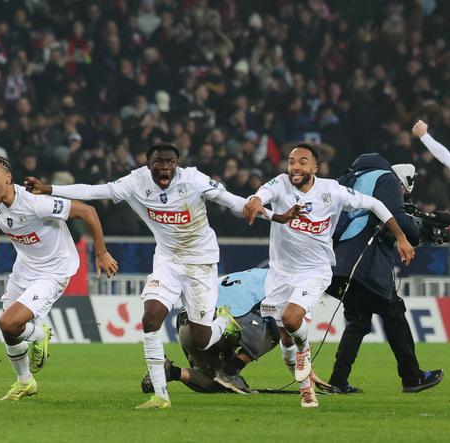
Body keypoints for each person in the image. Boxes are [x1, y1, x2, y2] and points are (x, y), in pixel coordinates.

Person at [25, 142, 296, 409]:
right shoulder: (136, 182)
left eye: (170, 162)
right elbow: (98, 190)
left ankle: (224, 323)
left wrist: (274, 216)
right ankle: (160, 396)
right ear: (149, 164)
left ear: (177, 165)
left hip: (200, 263)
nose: (165, 167)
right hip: (168, 260)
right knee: (151, 315)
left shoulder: (193, 179)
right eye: (159, 162)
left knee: (202, 339)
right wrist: (50, 189)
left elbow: (234, 202)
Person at [243, 143, 416, 408]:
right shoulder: (280, 184)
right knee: (285, 336)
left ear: (315, 167)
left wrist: (401, 237)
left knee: (291, 318)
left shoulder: (332, 191)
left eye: (302, 161)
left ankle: (304, 358)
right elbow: (261, 195)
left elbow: (376, 204)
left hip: (316, 270)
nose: (295, 166)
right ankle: (303, 370)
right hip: (281, 274)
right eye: (291, 161)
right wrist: (256, 201)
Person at [0, 156, 118, 401]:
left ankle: (40, 334)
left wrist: (101, 252)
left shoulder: (35, 203)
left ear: (8, 178)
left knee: (8, 323)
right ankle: (25, 382)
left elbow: (87, 211)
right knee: (9, 331)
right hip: (24, 269)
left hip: (54, 270)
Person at [324, 153, 444, 394]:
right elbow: (396, 216)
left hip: (337, 263)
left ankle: (338, 379)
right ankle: (412, 378)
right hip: (365, 264)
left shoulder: (345, 181)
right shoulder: (385, 179)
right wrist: (415, 232)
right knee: (393, 312)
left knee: (358, 321)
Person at [140, 268, 330, 395]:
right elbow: (286, 335)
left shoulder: (255, 275)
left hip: (188, 325)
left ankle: (170, 371)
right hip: (217, 321)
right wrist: (303, 373)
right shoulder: (288, 286)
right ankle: (231, 370)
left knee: (215, 383)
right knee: (275, 329)